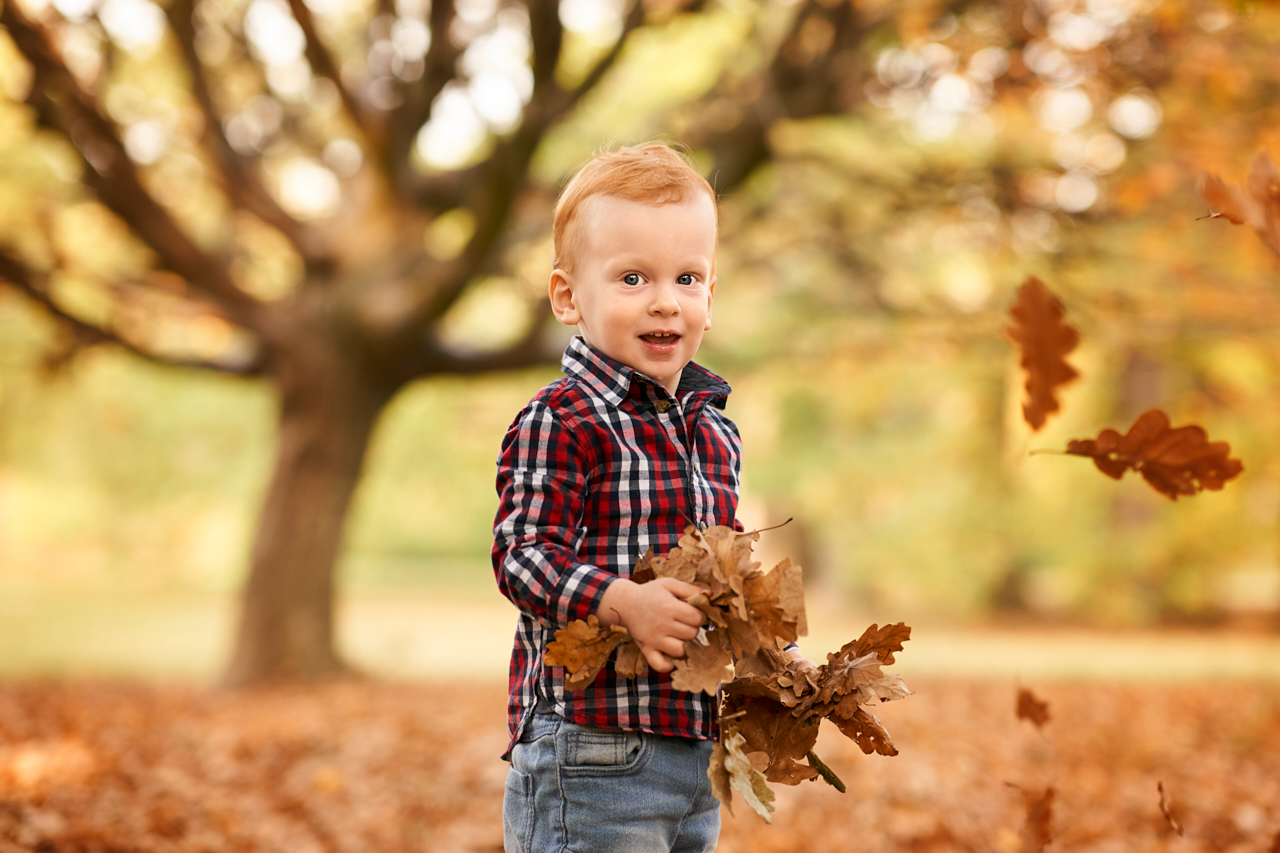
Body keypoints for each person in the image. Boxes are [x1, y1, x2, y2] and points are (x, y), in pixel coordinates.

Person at [491, 141, 736, 853]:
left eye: (687, 278)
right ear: (569, 296)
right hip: (593, 752)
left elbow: (723, 569)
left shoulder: (715, 430)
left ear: (710, 297)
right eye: (633, 277)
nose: (665, 300)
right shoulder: (562, 417)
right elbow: (522, 554)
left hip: (694, 754)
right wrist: (621, 600)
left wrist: (770, 655)